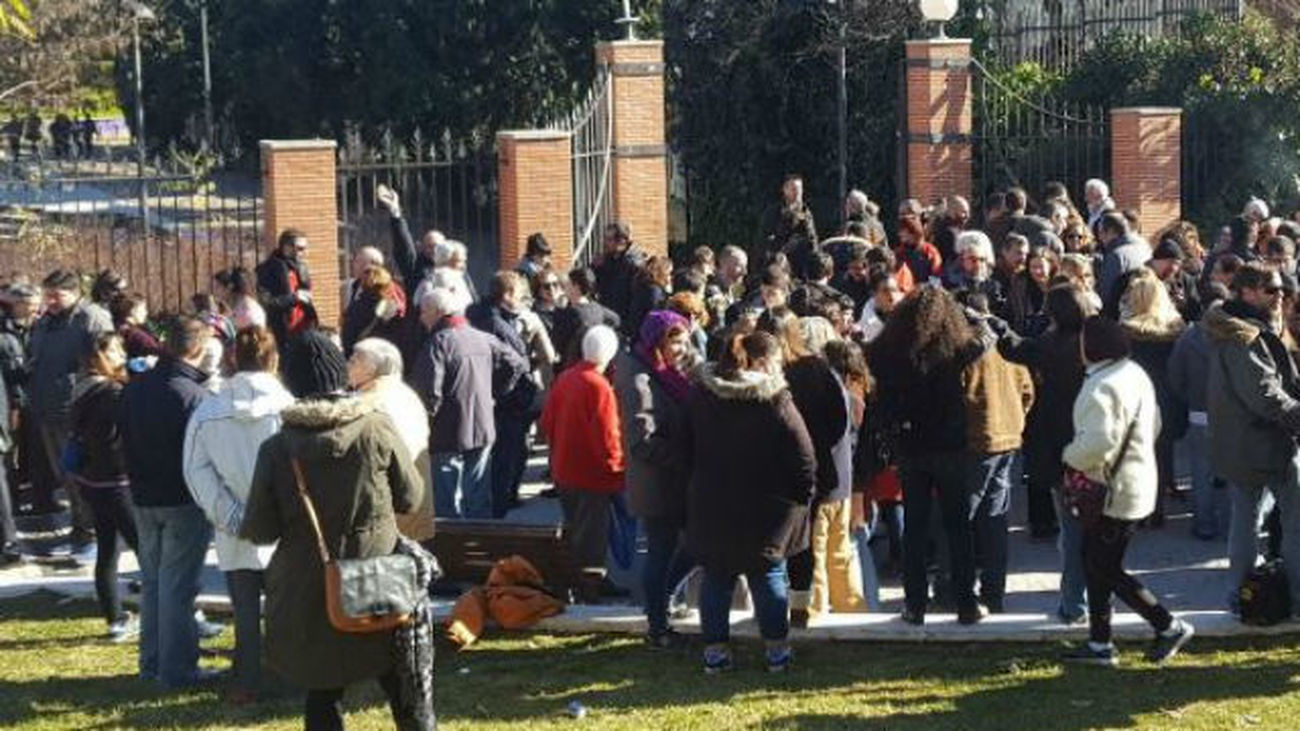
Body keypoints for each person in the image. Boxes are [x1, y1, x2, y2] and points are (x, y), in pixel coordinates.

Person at [240, 330, 426, 730]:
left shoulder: (277, 448)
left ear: (291, 383)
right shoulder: (376, 427)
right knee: (400, 681)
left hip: (308, 583)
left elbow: (260, 529)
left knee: (323, 691)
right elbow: (411, 497)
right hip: (379, 576)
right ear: (341, 375)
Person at [681, 330, 816, 673]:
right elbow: (803, 454)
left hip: (712, 498)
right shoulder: (775, 399)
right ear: (760, 362)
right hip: (767, 504)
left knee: (717, 576)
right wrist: (802, 495)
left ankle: (715, 653)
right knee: (768, 574)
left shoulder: (701, 395)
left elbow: (683, 444)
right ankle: (776, 652)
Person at [1062, 316, 1193, 667]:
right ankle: (1100, 642)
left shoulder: (1101, 386)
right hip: (1136, 480)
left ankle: (1168, 625)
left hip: (1111, 490)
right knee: (1096, 563)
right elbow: (1155, 423)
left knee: (1104, 567)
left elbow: (1099, 442)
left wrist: (1069, 455)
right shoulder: (1133, 372)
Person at [182, 325, 293, 701]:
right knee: (283, 606)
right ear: (273, 359)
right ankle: (285, 676)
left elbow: (195, 471)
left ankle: (246, 680)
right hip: (281, 524)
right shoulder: (289, 409)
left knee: (244, 609)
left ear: (233, 359)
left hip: (234, 525)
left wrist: (229, 515)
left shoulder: (208, 411)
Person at [870, 286, 984, 625]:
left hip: (911, 447)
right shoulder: (956, 350)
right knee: (957, 527)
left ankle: (915, 603)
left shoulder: (888, 352)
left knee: (915, 528)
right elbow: (985, 340)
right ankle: (966, 602)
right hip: (950, 445)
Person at [120, 316, 217, 688]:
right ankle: (177, 669)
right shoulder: (193, 396)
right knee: (177, 587)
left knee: (155, 583)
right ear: (197, 348)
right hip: (181, 500)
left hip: (144, 496)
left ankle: (153, 663)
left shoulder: (135, 388)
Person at [1204, 262, 1300, 614]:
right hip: (1261, 443)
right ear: (1246, 292)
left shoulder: (1246, 328)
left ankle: (1241, 596)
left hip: (1248, 442)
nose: (1280, 296)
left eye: (1282, 290)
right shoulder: (1243, 337)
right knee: (1288, 522)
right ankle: (1287, 599)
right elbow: (1264, 396)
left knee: (1247, 521)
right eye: (1270, 290)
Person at [999, 284, 1093, 619]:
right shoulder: (1095, 341)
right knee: (1095, 532)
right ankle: (1093, 599)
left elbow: (1016, 349)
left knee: (1071, 531)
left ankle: (1074, 604)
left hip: (1060, 448)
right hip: (1095, 442)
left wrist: (997, 327)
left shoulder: (1050, 346)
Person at [761, 308, 853, 626]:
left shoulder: (761, 372)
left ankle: (773, 608)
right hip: (811, 468)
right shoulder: (817, 369)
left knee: (771, 542)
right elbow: (839, 420)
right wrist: (818, 449)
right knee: (804, 542)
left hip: (773, 469)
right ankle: (800, 607)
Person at [615, 311, 695, 647]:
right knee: (661, 551)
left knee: (694, 545)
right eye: (675, 342)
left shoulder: (666, 373)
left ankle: (661, 603)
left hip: (676, 480)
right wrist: (685, 457)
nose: (682, 349)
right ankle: (658, 626)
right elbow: (642, 440)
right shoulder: (640, 378)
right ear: (656, 343)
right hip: (658, 483)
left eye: (685, 341)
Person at [412, 287, 527, 519]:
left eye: (424, 311)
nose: (421, 317)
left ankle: (452, 541)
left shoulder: (438, 343)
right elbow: (517, 363)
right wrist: (496, 392)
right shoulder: (483, 338)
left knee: (446, 503)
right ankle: (479, 537)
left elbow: (429, 391)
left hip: (446, 431)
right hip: (482, 424)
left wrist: (426, 421)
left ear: (437, 312)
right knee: (478, 496)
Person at [29, 269, 113, 557]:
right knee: (65, 475)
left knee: (83, 475)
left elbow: (108, 360)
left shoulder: (91, 318)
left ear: (75, 292)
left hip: (78, 410)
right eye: (47, 295)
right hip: (47, 410)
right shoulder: (45, 323)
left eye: (57, 295)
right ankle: (79, 527)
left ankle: (93, 532)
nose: (50, 301)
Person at [958, 305, 1034, 613]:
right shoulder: (1008, 349)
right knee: (995, 519)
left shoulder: (965, 355)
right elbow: (1027, 391)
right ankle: (994, 592)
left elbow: (956, 399)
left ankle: (961, 590)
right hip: (1008, 439)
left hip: (977, 442)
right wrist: (1016, 421)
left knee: (961, 518)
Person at [540, 325, 625, 599]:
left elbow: (547, 422)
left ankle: (584, 579)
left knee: (576, 527)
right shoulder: (599, 386)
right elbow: (608, 436)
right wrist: (618, 469)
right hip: (592, 474)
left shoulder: (566, 378)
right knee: (593, 534)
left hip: (565, 469)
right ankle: (589, 584)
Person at [68, 332, 138, 640]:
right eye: (115, 350)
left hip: (92, 481)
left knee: (107, 551)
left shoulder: (81, 388)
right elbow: (119, 436)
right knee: (147, 551)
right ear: (100, 357)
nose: (122, 354)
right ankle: (178, 613)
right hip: (117, 482)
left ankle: (115, 620)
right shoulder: (111, 392)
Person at [468, 271, 544, 517]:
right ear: (508, 294)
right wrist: (507, 389)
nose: (522, 300)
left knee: (502, 454)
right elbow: (512, 363)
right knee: (505, 454)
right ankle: (500, 503)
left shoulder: (483, 316)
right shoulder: (496, 323)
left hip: (496, 398)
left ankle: (501, 498)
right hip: (507, 402)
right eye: (519, 295)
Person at [1118, 268, 1186, 527]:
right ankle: (1157, 509)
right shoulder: (1176, 329)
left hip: (1136, 400)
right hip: (1167, 398)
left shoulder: (1125, 332)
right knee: (1162, 453)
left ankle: (1140, 508)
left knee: (1136, 455)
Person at [348, 337, 433, 543]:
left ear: (371, 370)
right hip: (416, 502)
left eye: (354, 360)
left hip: (385, 508)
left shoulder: (366, 403)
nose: (347, 364)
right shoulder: (408, 395)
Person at [1168, 283, 1230, 540]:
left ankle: (1204, 524)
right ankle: (1231, 526)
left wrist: (1190, 399)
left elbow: (1175, 376)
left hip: (1199, 412)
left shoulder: (1189, 337)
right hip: (1232, 415)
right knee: (1233, 475)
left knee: (1201, 473)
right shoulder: (1236, 335)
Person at [552, 267, 621, 370]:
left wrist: (557, 308)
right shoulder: (597, 307)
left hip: (573, 367)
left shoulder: (570, 314)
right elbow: (616, 320)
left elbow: (557, 342)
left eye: (568, 283)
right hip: (595, 364)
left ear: (576, 287)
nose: (565, 287)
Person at [256, 228, 315, 349]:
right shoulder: (267, 270)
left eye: (305, 248)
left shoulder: (301, 268)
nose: (303, 253)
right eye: (300, 249)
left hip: (304, 331)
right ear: (286, 247)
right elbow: (266, 303)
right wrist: (294, 298)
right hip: (282, 334)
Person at [341, 265, 406, 355]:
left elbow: (347, 339)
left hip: (361, 354)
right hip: (384, 354)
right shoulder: (391, 307)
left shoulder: (355, 308)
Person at [764, 174, 819, 279]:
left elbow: (812, 240)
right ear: (785, 190)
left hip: (801, 267)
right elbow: (766, 239)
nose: (797, 193)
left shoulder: (806, 212)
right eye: (793, 189)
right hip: (780, 264)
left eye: (799, 189)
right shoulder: (773, 212)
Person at [1095, 212, 1151, 309]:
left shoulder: (1116, 256)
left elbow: (1106, 294)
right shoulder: (1146, 247)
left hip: (1125, 311)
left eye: (1101, 232)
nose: (1099, 238)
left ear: (1111, 231)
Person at [594, 222, 646, 324]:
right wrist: (597, 268)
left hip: (624, 319)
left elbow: (635, 297)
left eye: (609, 239)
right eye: (605, 238)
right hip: (609, 316)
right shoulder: (609, 259)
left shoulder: (633, 263)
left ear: (622, 241)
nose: (605, 243)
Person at [626, 255, 673, 340]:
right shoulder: (654, 291)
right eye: (669, 273)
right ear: (662, 273)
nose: (671, 277)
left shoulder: (643, 284)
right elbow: (655, 315)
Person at [110, 292, 164, 360]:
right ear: (132, 311)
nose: (146, 312)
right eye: (143, 309)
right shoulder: (137, 336)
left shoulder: (121, 328)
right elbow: (160, 351)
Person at [340, 246, 384, 316]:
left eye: (358, 261)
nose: (353, 265)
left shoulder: (381, 289)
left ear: (371, 265)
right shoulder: (355, 286)